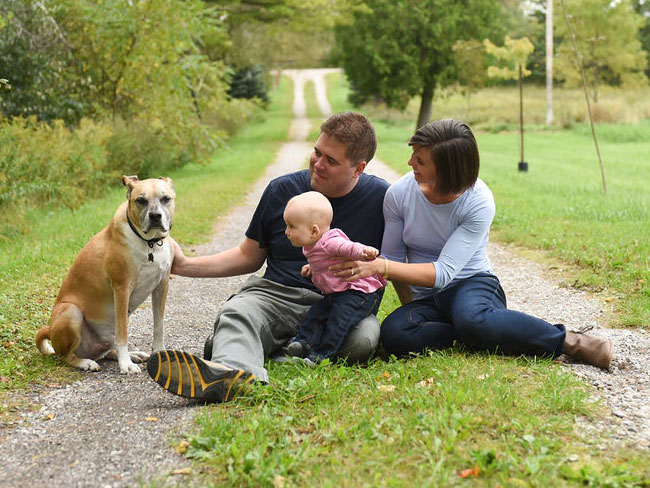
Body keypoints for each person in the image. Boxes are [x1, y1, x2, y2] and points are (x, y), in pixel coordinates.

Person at [146, 112, 390, 402]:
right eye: (317, 152)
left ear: (358, 168)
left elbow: (395, 264)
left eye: (331, 161)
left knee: (363, 340)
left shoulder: (381, 199)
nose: (318, 164)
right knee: (238, 312)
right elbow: (248, 256)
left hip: (339, 304)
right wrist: (185, 265)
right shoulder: (282, 190)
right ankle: (236, 371)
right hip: (276, 296)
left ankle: (245, 350)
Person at [336, 118, 613, 369]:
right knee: (396, 335)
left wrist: (380, 266)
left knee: (472, 318)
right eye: (413, 156)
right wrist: (409, 305)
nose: (410, 164)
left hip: (472, 284)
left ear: (446, 169)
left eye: (420, 160)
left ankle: (570, 342)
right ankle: (479, 332)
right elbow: (393, 260)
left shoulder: (478, 201)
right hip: (430, 299)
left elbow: (443, 273)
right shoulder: (399, 194)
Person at [282, 191, 386, 363]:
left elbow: (348, 248)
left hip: (358, 293)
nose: (286, 232)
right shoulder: (312, 244)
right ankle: (304, 343)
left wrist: (364, 251)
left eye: (291, 226)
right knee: (316, 314)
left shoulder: (331, 242)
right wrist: (312, 268)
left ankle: (321, 356)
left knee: (338, 321)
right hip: (337, 294)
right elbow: (325, 261)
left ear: (313, 230)